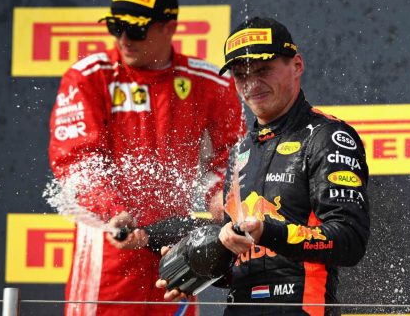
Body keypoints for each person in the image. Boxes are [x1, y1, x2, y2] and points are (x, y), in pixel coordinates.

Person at [48, 0, 244, 316]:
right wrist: (112, 211)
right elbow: (77, 162)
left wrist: (221, 202)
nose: (123, 38)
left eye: (136, 29)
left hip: (176, 250)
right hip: (108, 252)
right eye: (114, 27)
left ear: (169, 26)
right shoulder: (89, 76)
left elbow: (230, 161)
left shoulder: (209, 82)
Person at [157, 17, 370, 316]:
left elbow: (350, 240)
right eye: (240, 75)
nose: (251, 84)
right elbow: (242, 259)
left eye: (262, 70)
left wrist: (267, 232)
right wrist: (202, 263)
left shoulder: (327, 136)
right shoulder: (239, 151)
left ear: (296, 65)